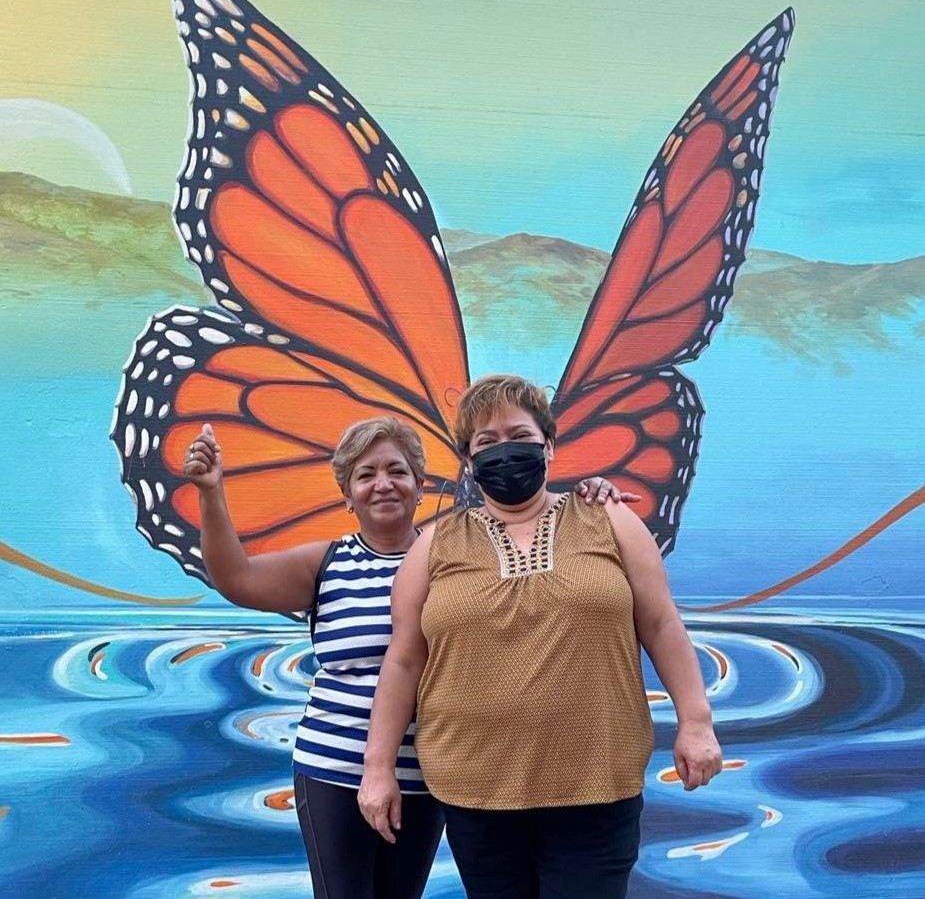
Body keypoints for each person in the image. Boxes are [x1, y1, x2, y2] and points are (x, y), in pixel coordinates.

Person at [183, 415, 634, 899]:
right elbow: (237, 578)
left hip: (430, 772)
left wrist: (591, 491)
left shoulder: (463, 555)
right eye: (366, 474)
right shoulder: (327, 563)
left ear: (420, 486)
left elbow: (533, 566)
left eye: (397, 471)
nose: (383, 484)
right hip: (337, 769)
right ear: (347, 493)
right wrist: (211, 493)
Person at [358, 377, 723, 899]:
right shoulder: (435, 545)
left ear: (548, 445)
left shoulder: (610, 519)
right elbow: (403, 662)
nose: (504, 450)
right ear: (467, 458)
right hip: (474, 787)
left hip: (597, 781)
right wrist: (378, 769)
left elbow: (662, 624)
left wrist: (696, 722)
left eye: (519, 435)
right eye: (485, 442)